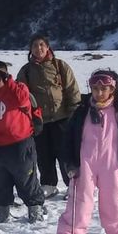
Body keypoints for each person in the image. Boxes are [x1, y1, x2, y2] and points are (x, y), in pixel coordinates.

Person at [51, 70, 118, 234]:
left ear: (113, 89)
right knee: (80, 205)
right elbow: (68, 138)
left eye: (104, 89)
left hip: (112, 164)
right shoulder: (82, 110)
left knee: (115, 205)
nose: (99, 93)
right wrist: (70, 163)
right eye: (95, 89)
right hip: (85, 164)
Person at [0, 61, 45, 223]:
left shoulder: (18, 90)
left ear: (4, 75)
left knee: (26, 178)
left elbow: (22, 100)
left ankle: (35, 209)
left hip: (19, 144)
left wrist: (9, 81)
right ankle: (1, 211)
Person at [16, 34, 81, 199]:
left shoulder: (60, 66)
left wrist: (73, 113)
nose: (38, 49)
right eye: (35, 46)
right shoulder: (26, 71)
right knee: (44, 154)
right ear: (30, 49)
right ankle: (49, 184)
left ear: (48, 47)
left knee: (66, 153)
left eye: (41, 45)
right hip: (39, 121)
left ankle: (73, 184)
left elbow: (72, 90)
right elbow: (20, 96)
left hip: (62, 117)